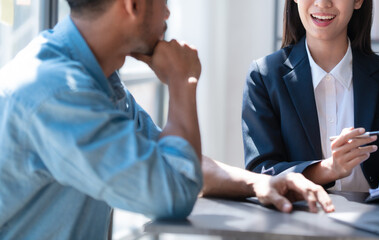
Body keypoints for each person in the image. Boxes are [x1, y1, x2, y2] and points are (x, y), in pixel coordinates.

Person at [0, 0, 334, 239]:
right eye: (163, 2)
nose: (169, 12)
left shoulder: (95, 79)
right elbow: (173, 190)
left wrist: (257, 182)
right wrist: (181, 81)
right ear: (132, 5)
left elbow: (172, 160)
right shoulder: (57, 90)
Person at [242, 0, 379, 191]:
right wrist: (328, 169)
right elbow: (262, 173)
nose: (322, 3)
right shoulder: (264, 77)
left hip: (375, 218)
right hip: (298, 216)